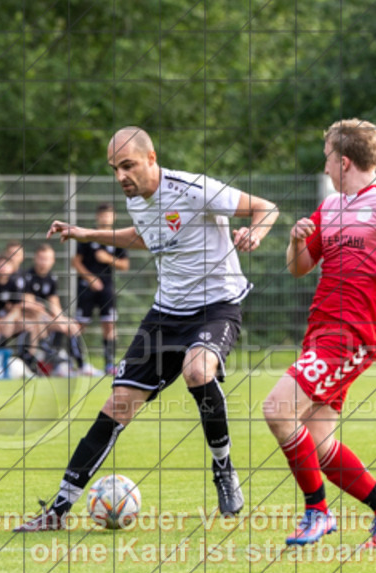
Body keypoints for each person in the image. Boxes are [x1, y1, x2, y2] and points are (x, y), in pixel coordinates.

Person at [16, 125, 279, 532]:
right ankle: (57, 511)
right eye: (114, 169)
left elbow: (267, 207)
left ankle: (224, 469)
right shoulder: (136, 198)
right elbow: (144, 237)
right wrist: (87, 233)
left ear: (151, 158)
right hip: (165, 314)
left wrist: (254, 233)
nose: (121, 175)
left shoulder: (193, 188)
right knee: (117, 404)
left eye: (128, 165)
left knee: (197, 371)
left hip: (216, 307)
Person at [262, 119, 376, 547]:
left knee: (277, 409)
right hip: (320, 332)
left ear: (344, 161)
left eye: (327, 157)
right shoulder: (329, 208)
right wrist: (295, 241)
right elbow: (299, 268)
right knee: (318, 443)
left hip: (353, 335)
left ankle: (317, 513)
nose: (325, 166)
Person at [73, 203, 130, 375]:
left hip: (107, 288)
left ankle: (109, 364)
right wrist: (90, 278)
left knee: (109, 324)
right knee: (79, 325)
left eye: (109, 215)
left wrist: (108, 258)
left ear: (114, 217)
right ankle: (80, 364)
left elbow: (125, 265)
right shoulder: (88, 236)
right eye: (103, 215)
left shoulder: (118, 238)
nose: (105, 218)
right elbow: (75, 262)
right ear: (97, 217)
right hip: (86, 287)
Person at [26, 242, 96, 376]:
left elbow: (55, 304)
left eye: (47, 259)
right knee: (59, 325)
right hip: (32, 319)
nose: (44, 262)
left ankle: (80, 364)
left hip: (46, 318)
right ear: (35, 258)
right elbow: (29, 305)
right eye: (41, 258)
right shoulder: (28, 276)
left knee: (71, 325)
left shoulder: (51, 278)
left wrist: (63, 319)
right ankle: (53, 363)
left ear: (53, 260)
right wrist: (55, 319)